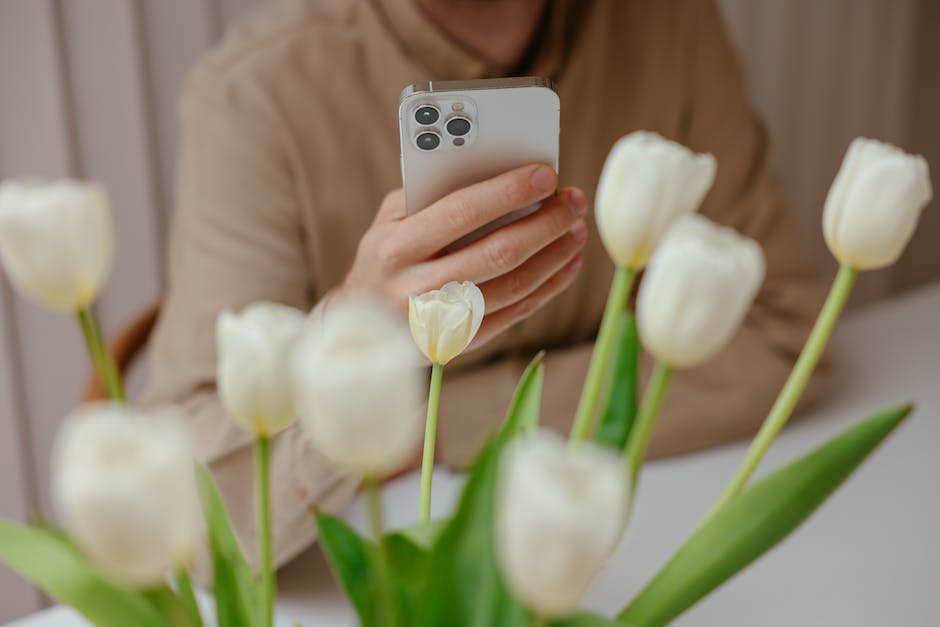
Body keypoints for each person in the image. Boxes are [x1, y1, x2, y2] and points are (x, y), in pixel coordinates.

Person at [142, 0, 825, 569]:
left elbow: (781, 333)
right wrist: (349, 329)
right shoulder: (252, 94)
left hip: (613, 537)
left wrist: (406, 432)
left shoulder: (668, 23)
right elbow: (178, 507)